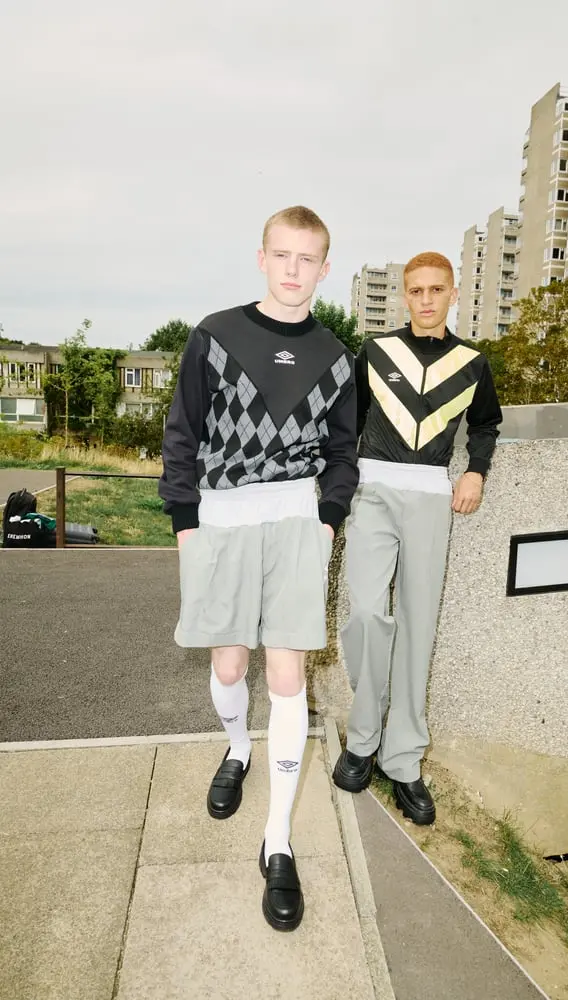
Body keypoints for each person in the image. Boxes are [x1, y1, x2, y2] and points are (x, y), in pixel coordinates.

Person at [158, 205, 359, 932]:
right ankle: (238, 748)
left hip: (297, 520)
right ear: (262, 257)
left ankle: (278, 841)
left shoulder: (338, 356)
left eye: (308, 259)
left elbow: (342, 452)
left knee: (286, 675)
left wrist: (328, 519)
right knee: (230, 664)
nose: (293, 269)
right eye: (282, 255)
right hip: (222, 518)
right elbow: (181, 433)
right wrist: (185, 524)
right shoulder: (215, 335)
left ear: (324, 268)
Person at [332, 251, 502, 825]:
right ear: (405, 296)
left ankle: (402, 759)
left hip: (431, 493)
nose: (426, 300)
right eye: (416, 291)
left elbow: (485, 424)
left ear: (454, 294)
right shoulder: (376, 353)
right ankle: (362, 737)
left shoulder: (473, 364)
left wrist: (475, 468)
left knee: (418, 623)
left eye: (437, 290)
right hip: (372, 490)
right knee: (365, 614)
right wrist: (337, 484)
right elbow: (347, 423)